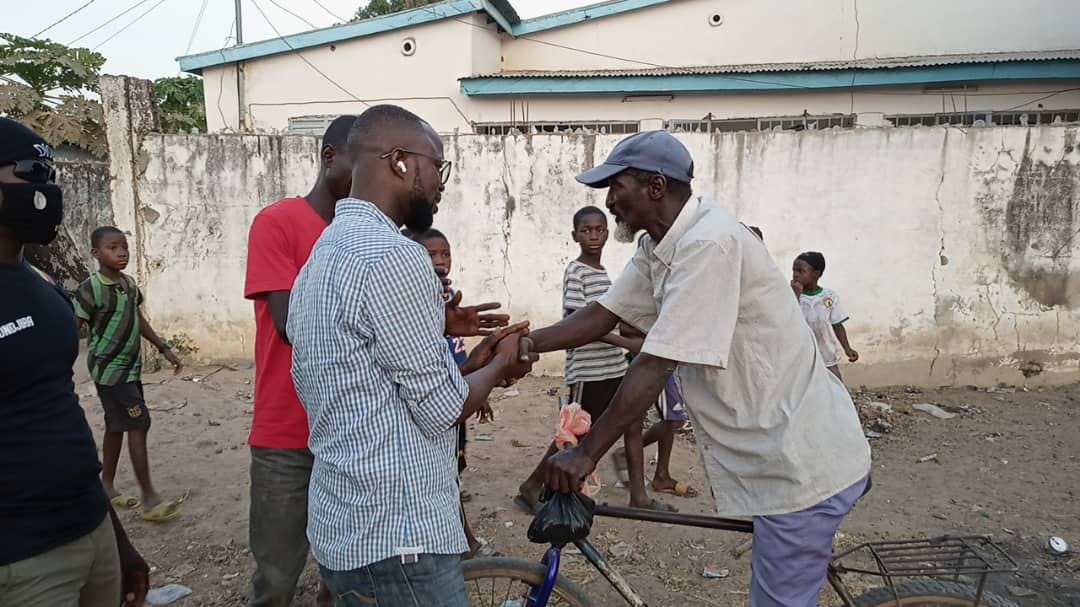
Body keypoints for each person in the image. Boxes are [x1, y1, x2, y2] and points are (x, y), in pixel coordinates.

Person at [518, 130, 871, 607]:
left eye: (616, 188)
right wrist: (523, 344)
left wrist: (587, 454)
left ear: (655, 188)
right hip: (773, 455)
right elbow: (605, 312)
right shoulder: (659, 246)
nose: (610, 202)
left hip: (798, 467)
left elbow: (658, 360)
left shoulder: (710, 243)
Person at [287, 104, 533, 607]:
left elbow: (376, 385)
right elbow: (442, 408)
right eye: (436, 166)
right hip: (399, 537)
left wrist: (474, 364)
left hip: (346, 524)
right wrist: (501, 364)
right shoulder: (397, 257)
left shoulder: (325, 251)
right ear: (399, 161)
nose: (441, 182)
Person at [0, 116, 149, 606]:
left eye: (50, 175)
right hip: (23, 561)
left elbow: (63, 423)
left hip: (90, 533)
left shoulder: (41, 285)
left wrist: (120, 542)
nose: (47, 189)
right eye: (30, 173)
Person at [243, 115, 356, 607]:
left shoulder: (364, 236)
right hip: (285, 431)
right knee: (276, 575)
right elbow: (293, 325)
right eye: (368, 160)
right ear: (330, 156)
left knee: (348, 569)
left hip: (348, 429)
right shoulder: (278, 222)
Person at [516, 205, 670, 512]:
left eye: (600, 230)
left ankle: (638, 496)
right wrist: (625, 341)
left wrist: (628, 337)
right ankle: (532, 486)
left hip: (612, 364)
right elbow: (579, 323)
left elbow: (614, 317)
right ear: (575, 236)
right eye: (586, 231)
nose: (594, 236)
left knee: (631, 424)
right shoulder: (576, 272)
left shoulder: (604, 273)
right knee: (574, 431)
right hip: (588, 369)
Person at [73, 226, 182, 524]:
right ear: (96, 253)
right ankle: (149, 498)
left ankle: (106, 486)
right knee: (138, 422)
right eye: (112, 247)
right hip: (110, 371)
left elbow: (138, 319)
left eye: (124, 246)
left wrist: (163, 348)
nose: (121, 252)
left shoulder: (129, 285)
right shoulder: (90, 289)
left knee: (116, 425)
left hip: (130, 369)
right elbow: (75, 326)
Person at [405, 226, 499, 559]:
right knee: (445, 477)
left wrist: (480, 385)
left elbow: (458, 356)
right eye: (431, 254)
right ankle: (465, 544)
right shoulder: (408, 303)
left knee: (452, 471)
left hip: (454, 397)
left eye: (445, 254)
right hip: (434, 403)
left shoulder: (448, 297)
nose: (440, 262)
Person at [612, 323, 698, 499]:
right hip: (655, 356)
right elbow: (626, 323)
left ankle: (661, 475)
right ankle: (655, 474)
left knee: (671, 416)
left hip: (664, 353)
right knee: (673, 419)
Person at [791, 251, 859, 380]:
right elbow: (788, 318)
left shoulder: (829, 296)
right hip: (800, 353)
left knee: (835, 384)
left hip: (825, 352)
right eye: (794, 270)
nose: (795, 275)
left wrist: (847, 348)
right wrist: (796, 295)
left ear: (816, 274)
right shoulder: (790, 295)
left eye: (801, 271)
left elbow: (837, 324)